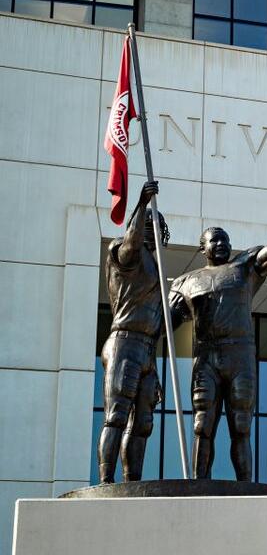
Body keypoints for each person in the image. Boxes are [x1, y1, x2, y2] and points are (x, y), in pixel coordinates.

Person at [170, 176, 267, 480]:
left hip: (239, 355)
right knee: (203, 426)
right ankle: (197, 484)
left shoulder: (244, 268)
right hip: (206, 358)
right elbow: (165, 324)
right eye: (214, 239)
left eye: (225, 239)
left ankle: (245, 486)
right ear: (202, 247)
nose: (222, 244)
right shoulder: (186, 281)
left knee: (240, 427)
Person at [98, 180, 167, 483]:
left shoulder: (157, 266)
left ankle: (131, 481)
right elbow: (131, 243)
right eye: (151, 223)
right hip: (124, 342)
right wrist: (141, 204)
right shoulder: (125, 256)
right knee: (116, 417)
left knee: (142, 424)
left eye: (159, 222)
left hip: (146, 350)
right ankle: (106, 481)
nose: (157, 227)